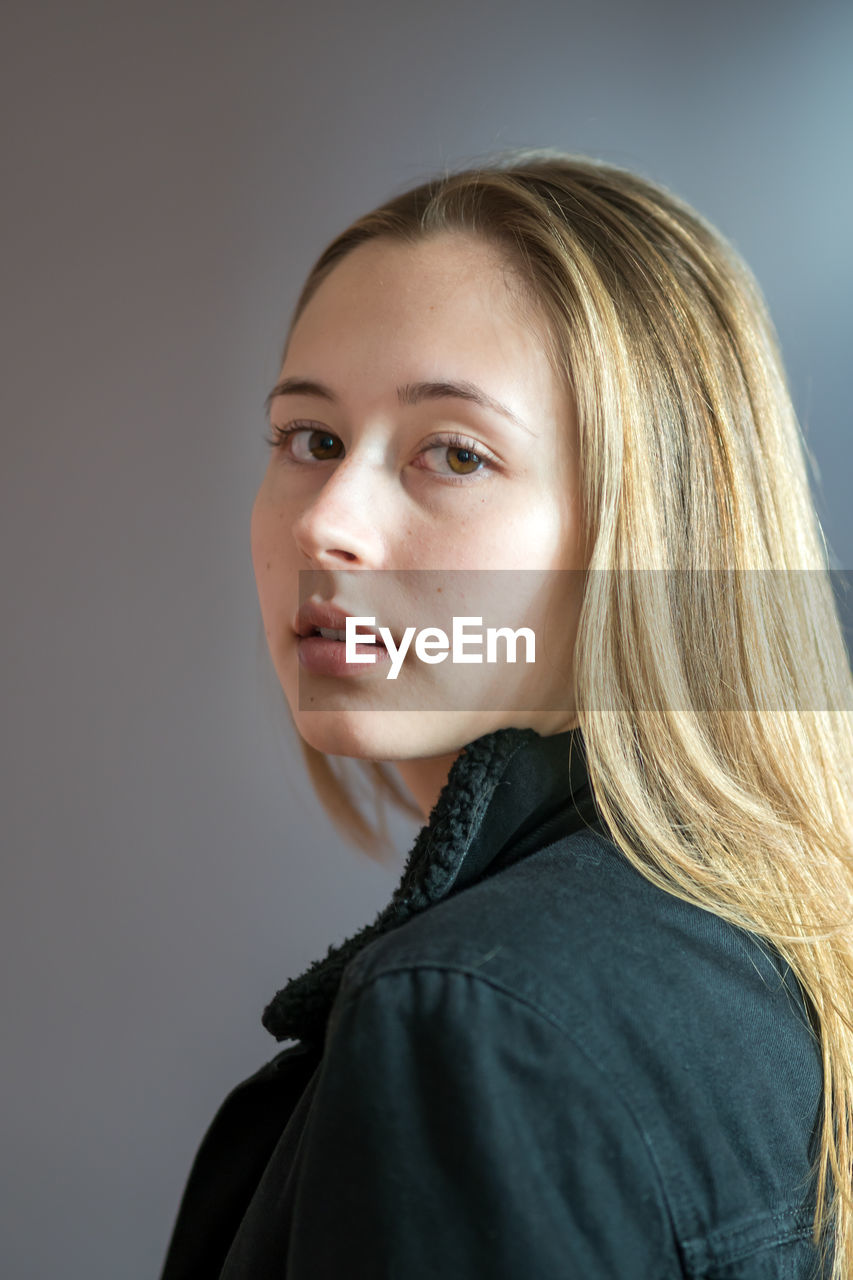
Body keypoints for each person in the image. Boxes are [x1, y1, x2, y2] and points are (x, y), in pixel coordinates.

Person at [158, 151, 853, 1278]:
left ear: (645, 537)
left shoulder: (470, 1020)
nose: (327, 521)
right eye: (312, 439)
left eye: (454, 452)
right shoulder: (785, 936)